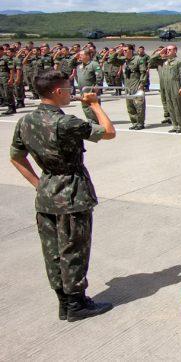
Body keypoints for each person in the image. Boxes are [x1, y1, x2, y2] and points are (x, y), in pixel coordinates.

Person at [9, 70, 115, 321]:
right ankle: (77, 303)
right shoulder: (65, 122)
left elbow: (16, 157)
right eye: (68, 88)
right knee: (74, 249)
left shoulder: (26, 121)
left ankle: (64, 302)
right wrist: (95, 105)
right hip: (71, 193)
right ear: (57, 92)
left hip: (46, 192)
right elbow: (109, 132)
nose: (71, 92)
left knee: (53, 250)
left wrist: (38, 184)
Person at [151, 45, 181, 133]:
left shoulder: (179, 61)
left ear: (175, 51)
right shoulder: (164, 61)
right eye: (167, 50)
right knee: (170, 106)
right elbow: (151, 60)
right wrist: (160, 52)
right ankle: (175, 125)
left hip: (175, 85)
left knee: (177, 106)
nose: (167, 51)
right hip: (166, 86)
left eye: (170, 50)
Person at [121, 45, 147, 130]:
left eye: (126, 50)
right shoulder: (124, 61)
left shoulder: (138, 59)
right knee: (130, 106)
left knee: (139, 105)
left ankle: (140, 123)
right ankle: (134, 122)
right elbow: (112, 59)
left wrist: (142, 84)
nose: (124, 52)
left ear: (131, 51)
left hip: (136, 85)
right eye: (123, 50)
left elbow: (143, 72)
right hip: (128, 86)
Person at [74, 50, 104, 122]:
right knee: (85, 106)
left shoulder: (94, 64)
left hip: (91, 89)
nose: (79, 56)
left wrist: (98, 84)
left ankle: (97, 120)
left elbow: (99, 75)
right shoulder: (80, 65)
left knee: (94, 106)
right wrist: (74, 57)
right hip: (82, 90)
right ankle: (91, 120)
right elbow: (70, 64)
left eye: (81, 55)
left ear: (87, 56)